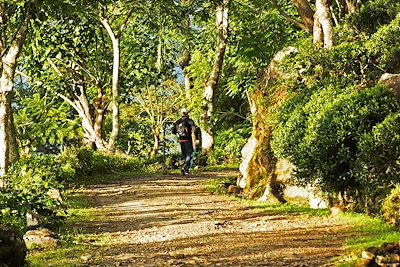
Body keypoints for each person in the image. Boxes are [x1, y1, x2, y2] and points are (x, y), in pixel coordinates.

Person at [172, 108, 197, 175]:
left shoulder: (178, 121)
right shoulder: (189, 121)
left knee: (185, 154)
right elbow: (194, 130)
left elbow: (173, 131)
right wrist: (195, 138)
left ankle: (186, 170)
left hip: (181, 140)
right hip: (188, 139)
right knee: (189, 154)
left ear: (181, 113)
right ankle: (185, 167)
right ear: (187, 113)